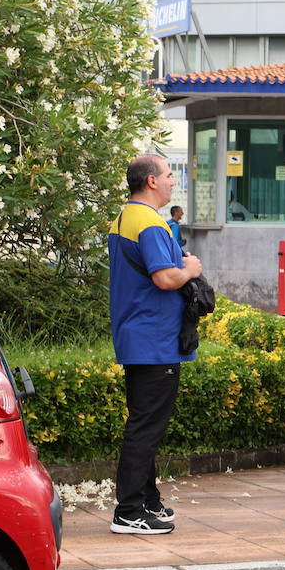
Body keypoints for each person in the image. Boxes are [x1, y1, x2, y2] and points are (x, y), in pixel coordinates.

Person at [107, 154, 202, 535]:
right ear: (150, 181)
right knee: (145, 428)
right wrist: (191, 269)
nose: (172, 181)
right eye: (167, 174)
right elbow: (165, 278)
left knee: (142, 423)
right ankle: (128, 511)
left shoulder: (124, 217)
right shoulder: (148, 223)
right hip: (154, 339)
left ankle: (147, 501)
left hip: (138, 334)